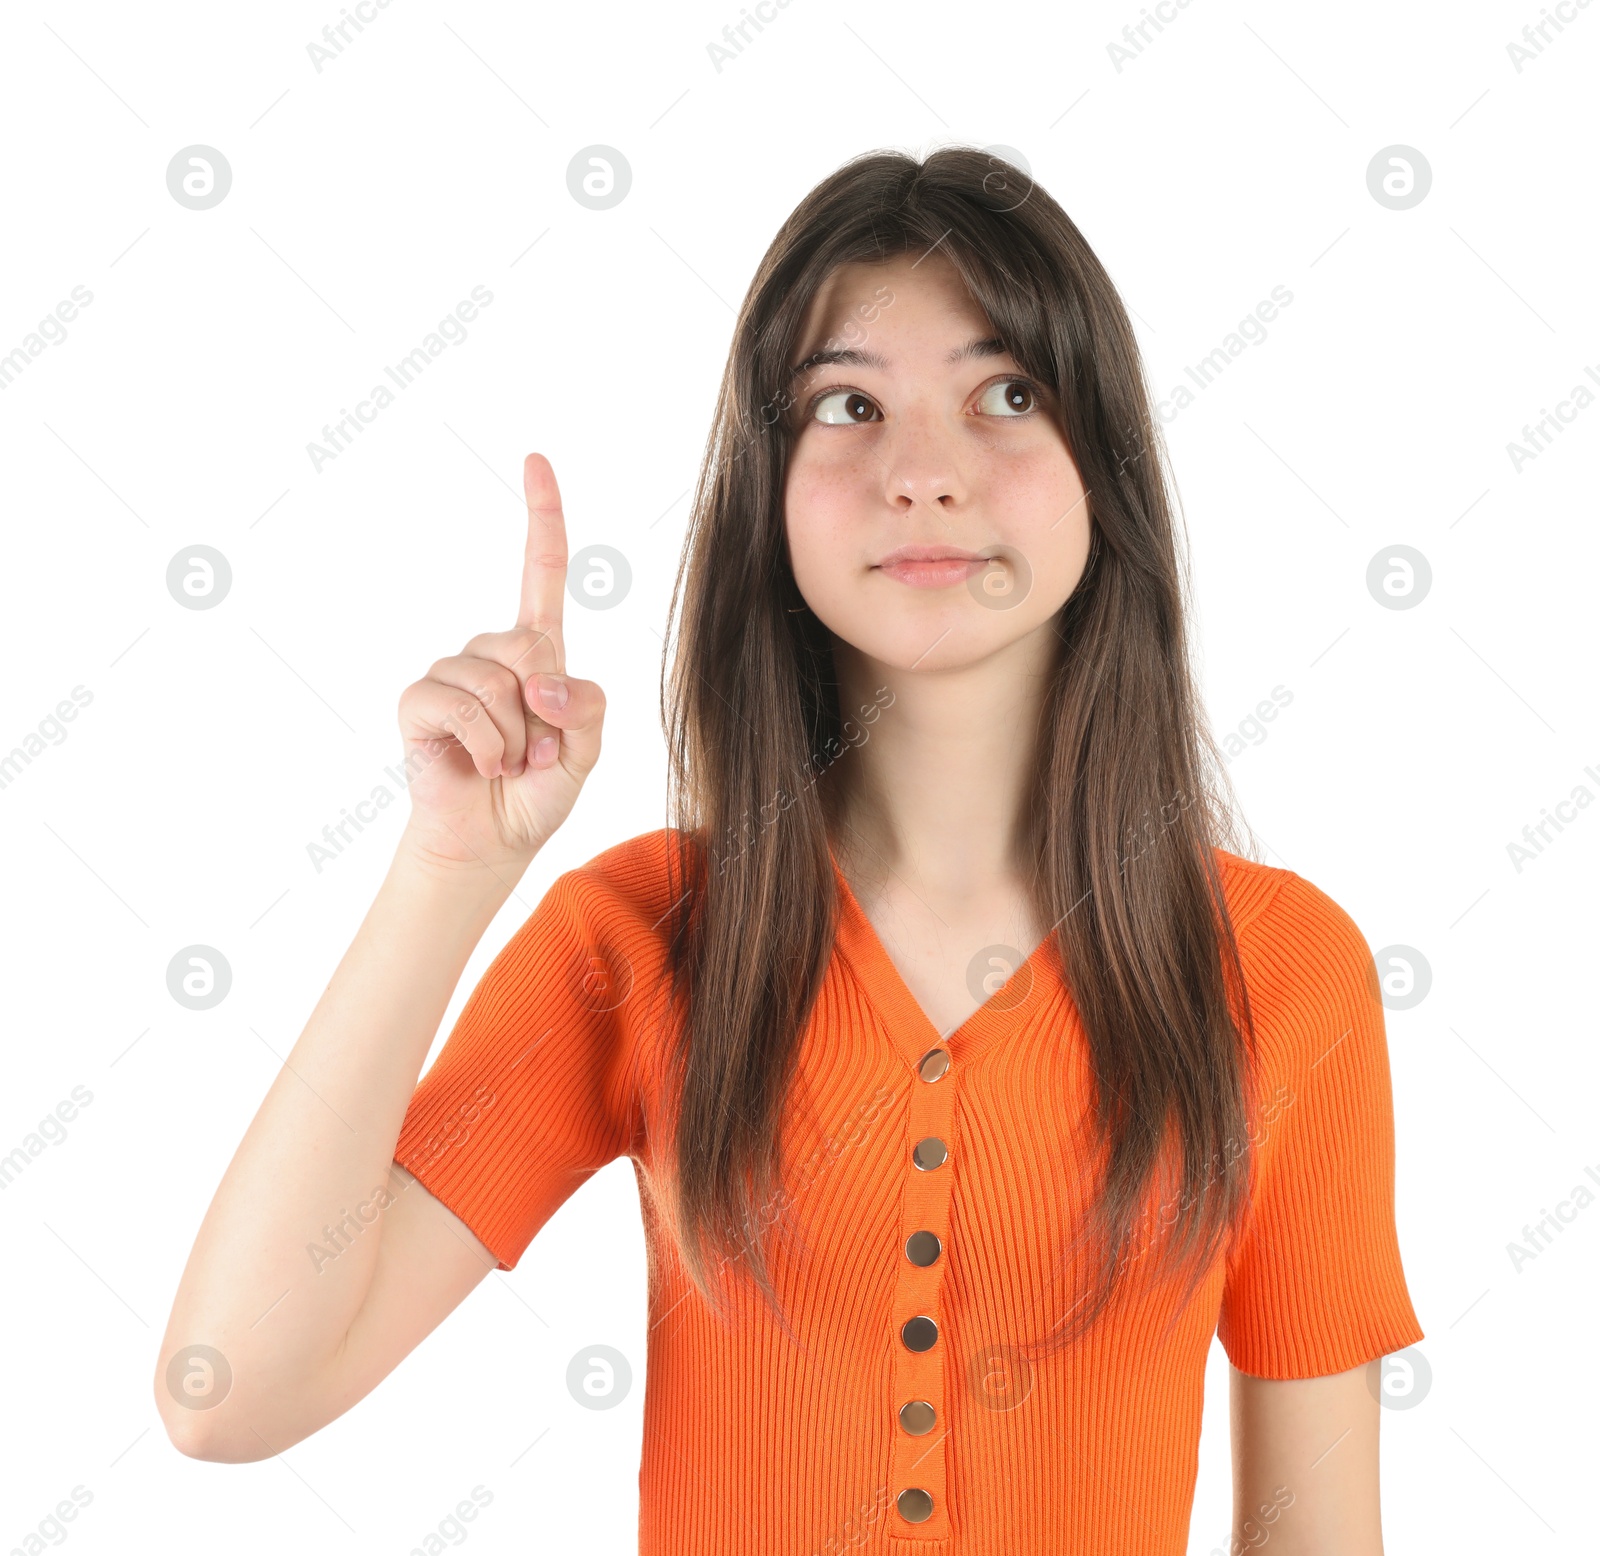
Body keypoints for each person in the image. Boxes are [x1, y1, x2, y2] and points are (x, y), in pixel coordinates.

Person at [156, 146, 1423, 1554]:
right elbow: (230, 1396)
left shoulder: (1285, 971)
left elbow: (1316, 1536)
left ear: (1105, 467)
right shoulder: (636, 938)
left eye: (1009, 393)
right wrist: (449, 870)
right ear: (769, 490)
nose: (926, 474)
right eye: (849, 405)